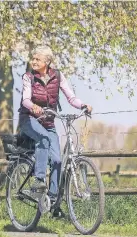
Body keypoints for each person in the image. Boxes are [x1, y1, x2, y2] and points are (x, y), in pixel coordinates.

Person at [18, 45, 93, 215]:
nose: (34, 61)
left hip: (48, 121)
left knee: (58, 160)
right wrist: (34, 107)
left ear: (47, 61)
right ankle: (38, 181)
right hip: (29, 119)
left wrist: (83, 105)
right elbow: (25, 100)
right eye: (33, 58)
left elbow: (70, 97)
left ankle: (52, 200)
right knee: (43, 139)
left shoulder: (58, 76)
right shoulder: (28, 77)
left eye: (37, 59)